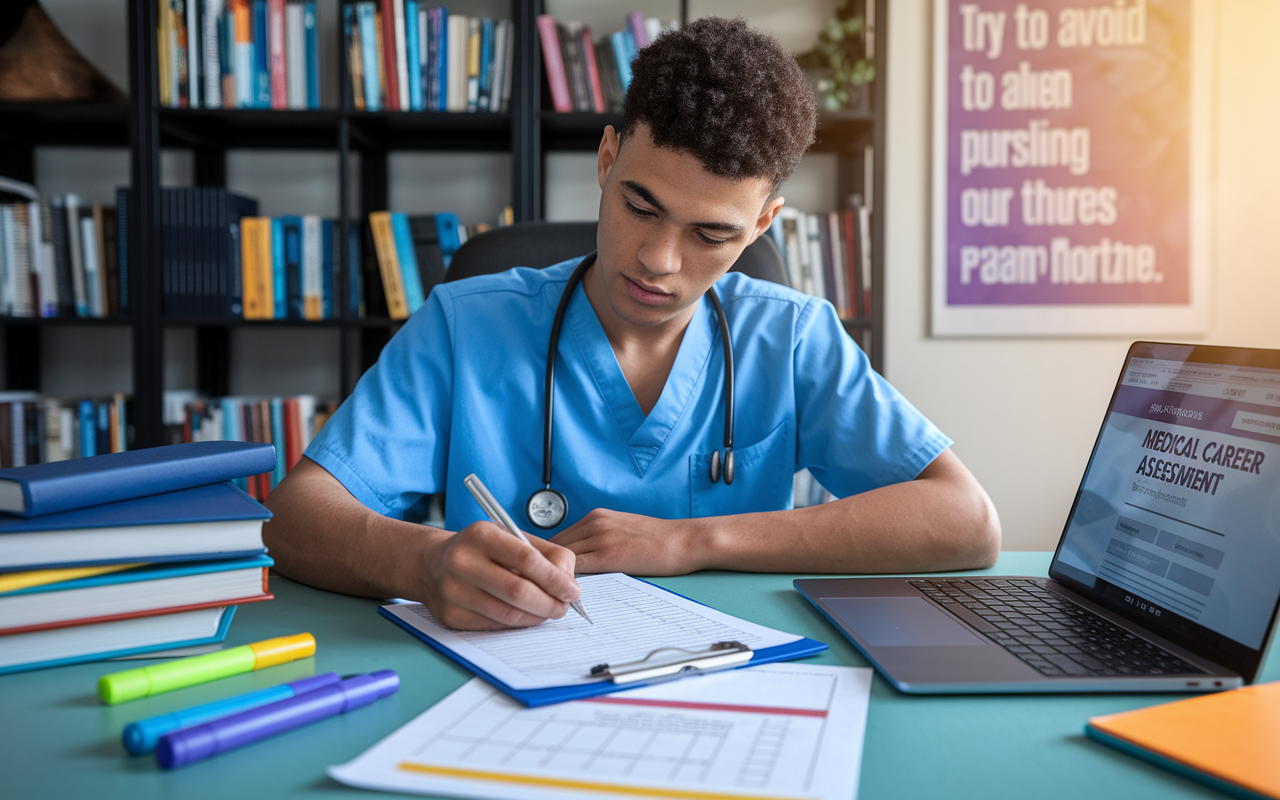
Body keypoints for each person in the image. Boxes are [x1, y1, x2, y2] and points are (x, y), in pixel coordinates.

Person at [264, 17, 1000, 631]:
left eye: (710, 234)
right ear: (607, 159)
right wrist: (420, 563)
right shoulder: (466, 324)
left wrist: (692, 540)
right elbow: (296, 518)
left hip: (730, 683)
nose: (657, 259)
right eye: (640, 206)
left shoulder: (793, 337)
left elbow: (966, 522)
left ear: (762, 226)